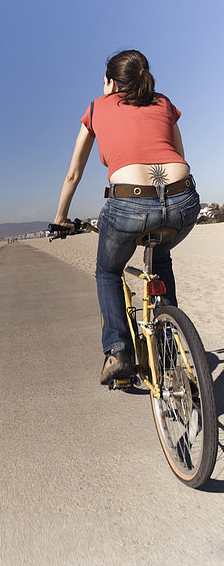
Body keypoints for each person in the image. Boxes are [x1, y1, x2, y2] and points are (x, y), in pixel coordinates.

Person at [53, 49, 200, 385]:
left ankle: (118, 351)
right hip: (184, 198)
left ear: (110, 82)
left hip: (130, 204)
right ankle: (168, 357)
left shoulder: (96, 107)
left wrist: (61, 217)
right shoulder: (163, 102)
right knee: (160, 262)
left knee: (107, 270)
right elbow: (179, 156)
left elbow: (73, 174)